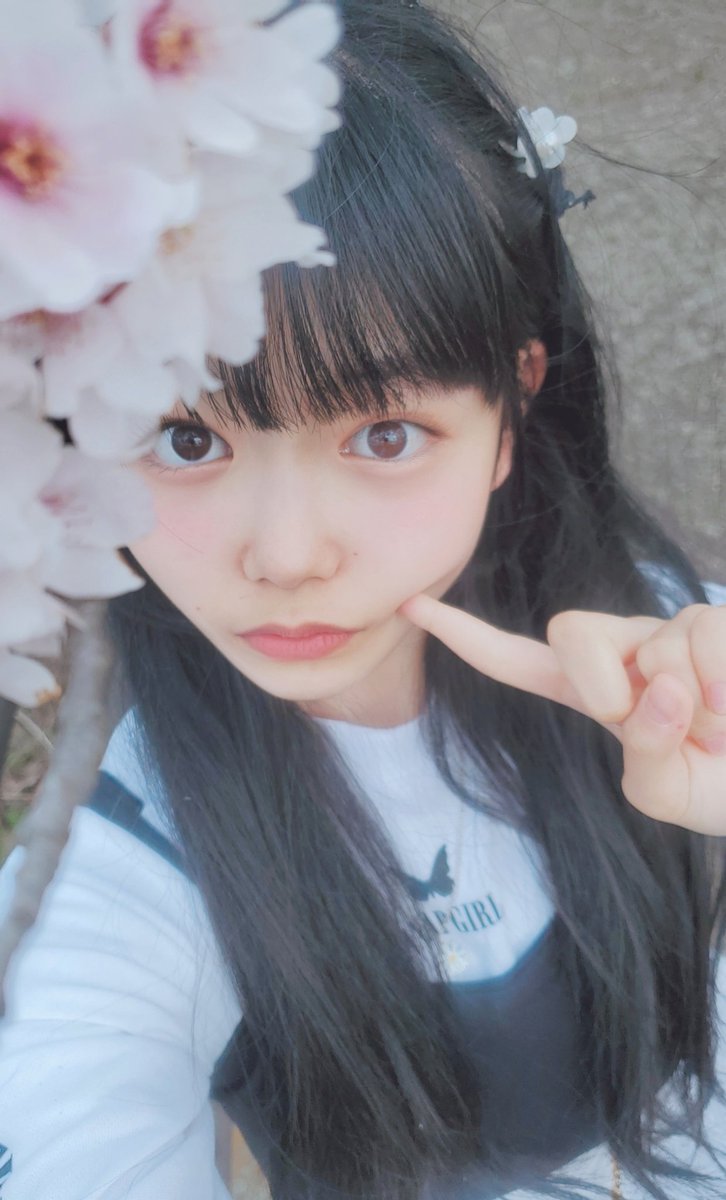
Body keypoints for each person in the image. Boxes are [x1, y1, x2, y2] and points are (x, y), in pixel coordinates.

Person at [1, 1, 725, 1197]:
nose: (288, 555)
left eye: (385, 434)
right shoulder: (124, 861)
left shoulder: (676, 652)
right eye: (184, 440)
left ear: (512, 407)